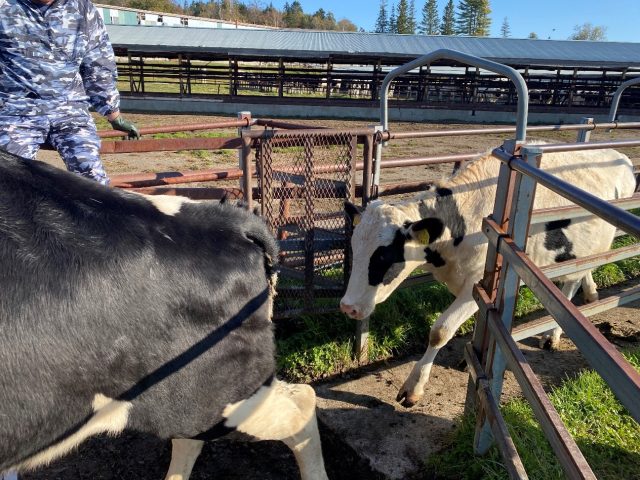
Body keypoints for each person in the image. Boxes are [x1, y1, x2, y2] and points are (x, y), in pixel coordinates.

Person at [0, 0, 139, 186]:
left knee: (91, 176)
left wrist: (113, 114)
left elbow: (98, 64)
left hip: (70, 111)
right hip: (16, 111)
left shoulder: (82, 9)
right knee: (10, 181)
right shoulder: (4, 7)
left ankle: (95, 214)